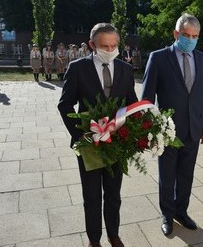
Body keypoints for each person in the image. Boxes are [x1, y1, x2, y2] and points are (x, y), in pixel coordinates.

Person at [58, 23, 137, 247]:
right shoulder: (77, 68)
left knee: (113, 195)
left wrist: (134, 131)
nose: (110, 50)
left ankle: (114, 234)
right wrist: (81, 135)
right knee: (91, 197)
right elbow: (65, 105)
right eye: (104, 46)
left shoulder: (125, 69)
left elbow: (130, 104)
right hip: (88, 144)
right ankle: (94, 240)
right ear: (93, 45)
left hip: (117, 144)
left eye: (114, 45)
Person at [141, 13, 203, 237]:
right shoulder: (159, 58)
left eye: (195, 36)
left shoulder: (202, 60)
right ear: (176, 34)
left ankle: (181, 212)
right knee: (167, 174)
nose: (190, 39)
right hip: (167, 132)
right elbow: (146, 98)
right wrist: (148, 129)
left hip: (194, 129)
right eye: (185, 35)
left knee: (186, 174)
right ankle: (167, 214)